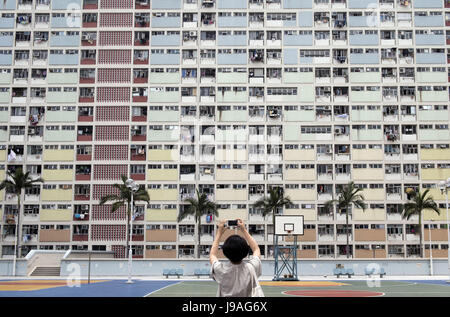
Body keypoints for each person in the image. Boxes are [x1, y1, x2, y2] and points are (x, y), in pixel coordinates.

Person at [209, 219, 263, 297]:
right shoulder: (251, 267)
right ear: (246, 252)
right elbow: (256, 249)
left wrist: (219, 232)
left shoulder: (220, 269)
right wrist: (244, 230)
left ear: (225, 252)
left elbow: (212, 255)